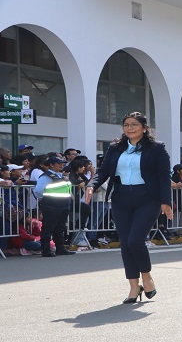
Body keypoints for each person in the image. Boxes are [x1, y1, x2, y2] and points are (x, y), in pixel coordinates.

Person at [85, 112, 173, 304]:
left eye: (134, 124)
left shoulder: (156, 148)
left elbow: (164, 177)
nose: (130, 128)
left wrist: (166, 202)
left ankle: (147, 276)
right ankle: (134, 286)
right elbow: (104, 172)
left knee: (135, 240)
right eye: (126, 125)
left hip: (147, 198)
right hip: (121, 197)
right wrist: (92, 185)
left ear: (144, 128)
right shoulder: (116, 147)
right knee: (125, 243)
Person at [33, 156, 76, 257]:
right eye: (59, 163)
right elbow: (39, 191)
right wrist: (47, 199)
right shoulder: (46, 176)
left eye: (62, 163)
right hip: (52, 205)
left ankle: (60, 248)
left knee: (60, 227)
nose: (62, 165)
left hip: (63, 205)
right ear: (51, 165)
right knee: (48, 227)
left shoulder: (61, 176)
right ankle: (46, 249)